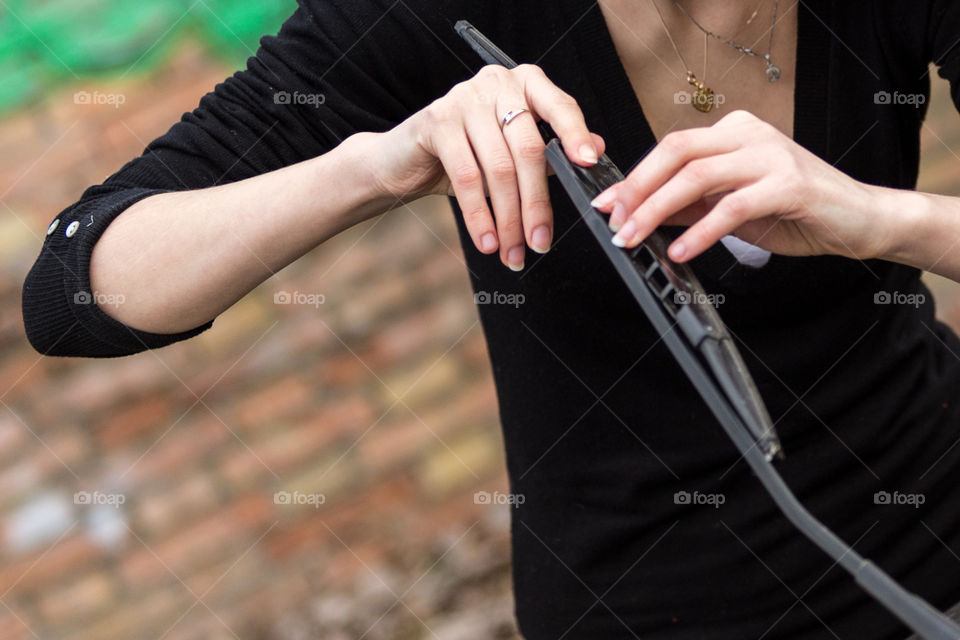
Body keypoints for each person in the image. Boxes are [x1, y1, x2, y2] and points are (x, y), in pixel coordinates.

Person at [21, 1, 960, 637]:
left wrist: (880, 219)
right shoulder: (435, 17)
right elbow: (74, 285)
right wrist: (381, 164)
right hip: (650, 600)